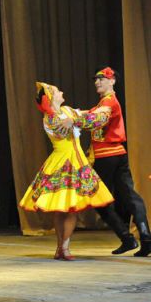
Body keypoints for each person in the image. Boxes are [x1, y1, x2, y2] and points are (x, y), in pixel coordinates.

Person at [19, 82, 115, 260]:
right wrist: (81, 119)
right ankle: (60, 246)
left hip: (77, 160)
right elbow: (67, 130)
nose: (62, 91)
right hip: (63, 162)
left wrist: (99, 110)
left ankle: (64, 246)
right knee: (62, 208)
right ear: (51, 98)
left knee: (71, 208)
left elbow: (84, 114)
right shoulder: (50, 118)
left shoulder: (69, 111)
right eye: (57, 91)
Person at [87, 67, 150, 257]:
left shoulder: (108, 102)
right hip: (117, 154)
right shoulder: (102, 103)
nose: (98, 82)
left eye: (102, 79)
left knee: (100, 200)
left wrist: (72, 118)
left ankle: (127, 237)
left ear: (113, 81)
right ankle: (145, 238)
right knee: (128, 196)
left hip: (107, 156)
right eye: (96, 79)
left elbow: (96, 118)